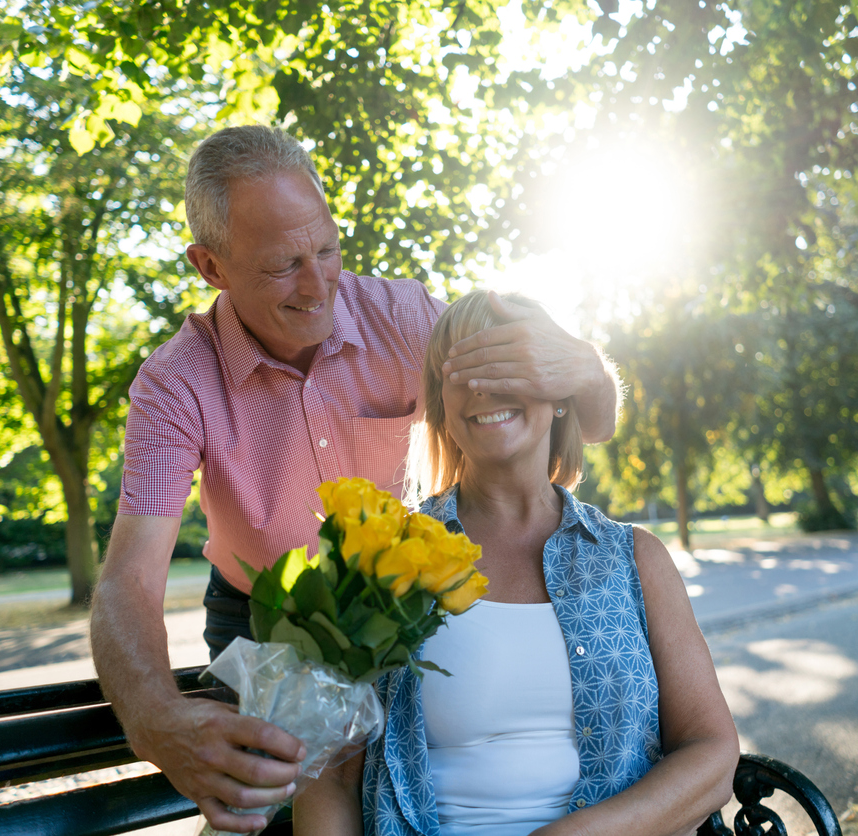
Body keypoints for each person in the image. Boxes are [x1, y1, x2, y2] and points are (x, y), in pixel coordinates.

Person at [89, 126, 621, 835]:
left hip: (394, 602)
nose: (318, 287)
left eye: (327, 250)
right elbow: (128, 578)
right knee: (261, 813)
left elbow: (585, 420)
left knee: (402, 796)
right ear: (210, 266)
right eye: (282, 266)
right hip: (264, 620)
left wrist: (583, 368)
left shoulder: (402, 318)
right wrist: (154, 719)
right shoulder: (174, 384)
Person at [293, 291, 739, 836]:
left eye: (510, 363)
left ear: (559, 396)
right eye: (462, 369)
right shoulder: (380, 557)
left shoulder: (635, 558)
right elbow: (331, 779)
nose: (483, 385)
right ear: (441, 406)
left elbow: (712, 752)